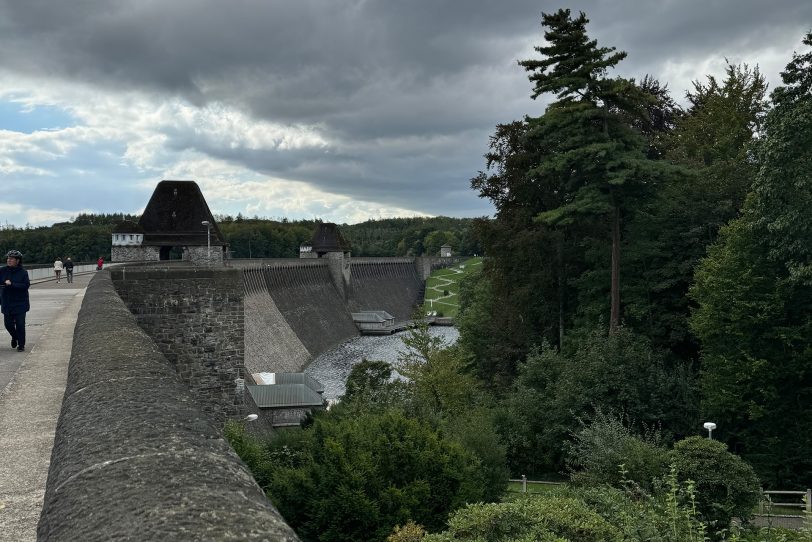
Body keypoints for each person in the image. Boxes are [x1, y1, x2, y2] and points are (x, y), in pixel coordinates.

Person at [0, 250, 30, 352]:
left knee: (20, 324)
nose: (9, 260)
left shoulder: (23, 272)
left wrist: (12, 284)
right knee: (8, 324)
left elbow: (26, 286)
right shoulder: (2, 270)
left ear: (17, 261)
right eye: (8, 258)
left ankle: (21, 345)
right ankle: (15, 336)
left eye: (11, 258)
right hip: (7, 302)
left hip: (20, 303)